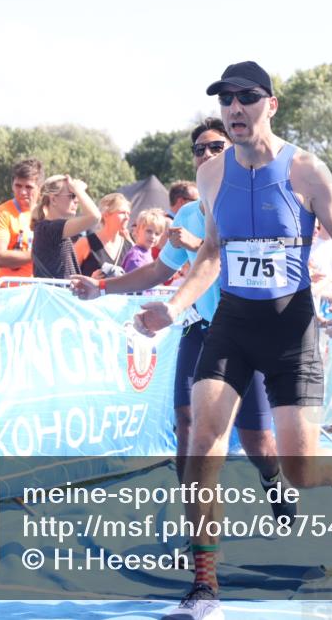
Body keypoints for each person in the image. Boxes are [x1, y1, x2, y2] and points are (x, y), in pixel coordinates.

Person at [131, 61, 332, 620]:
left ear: (272, 104)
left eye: (246, 98)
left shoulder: (307, 170)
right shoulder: (213, 174)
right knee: (202, 444)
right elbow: (211, 254)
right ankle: (204, 586)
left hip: (292, 327)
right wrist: (172, 308)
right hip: (234, 324)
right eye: (226, 100)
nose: (235, 109)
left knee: (299, 468)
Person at [71, 118, 294, 560]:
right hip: (201, 330)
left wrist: (199, 246)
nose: (206, 155)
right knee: (189, 428)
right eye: (199, 149)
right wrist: (102, 286)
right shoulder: (188, 214)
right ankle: (198, 532)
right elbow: (157, 271)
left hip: (250, 334)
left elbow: (263, 268)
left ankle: (276, 485)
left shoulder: (258, 203)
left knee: (259, 445)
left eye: (216, 147)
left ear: (234, 151)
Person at [30, 175, 101, 279]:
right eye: (72, 195)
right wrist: (79, 190)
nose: (76, 200)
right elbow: (95, 217)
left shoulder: (51, 228)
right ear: (53, 199)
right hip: (53, 294)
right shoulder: (49, 229)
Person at [0, 158, 42, 287]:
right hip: (5, 293)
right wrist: (39, 255)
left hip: (36, 293)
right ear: (12, 185)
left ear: (40, 188)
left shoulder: (46, 214)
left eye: (28, 187)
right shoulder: (1, 213)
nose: (22, 192)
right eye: (18, 185)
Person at [74, 193, 133, 278]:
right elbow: (68, 276)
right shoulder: (85, 243)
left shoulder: (128, 246)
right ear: (106, 214)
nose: (127, 217)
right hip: (89, 291)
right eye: (122, 213)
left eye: (128, 214)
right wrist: (90, 280)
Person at [121, 208, 169, 273]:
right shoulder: (136, 257)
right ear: (137, 230)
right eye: (149, 231)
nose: (153, 236)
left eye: (157, 233)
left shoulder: (146, 253)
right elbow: (133, 282)